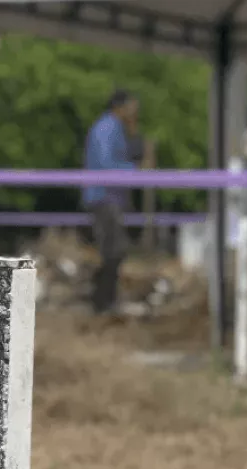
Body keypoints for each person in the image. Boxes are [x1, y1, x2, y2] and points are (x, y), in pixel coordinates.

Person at [82, 89, 140, 315]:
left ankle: (104, 300)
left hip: (110, 197)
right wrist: (136, 171)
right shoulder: (107, 128)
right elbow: (107, 163)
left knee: (114, 250)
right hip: (105, 197)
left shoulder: (115, 128)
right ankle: (102, 302)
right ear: (120, 106)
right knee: (113, 250)